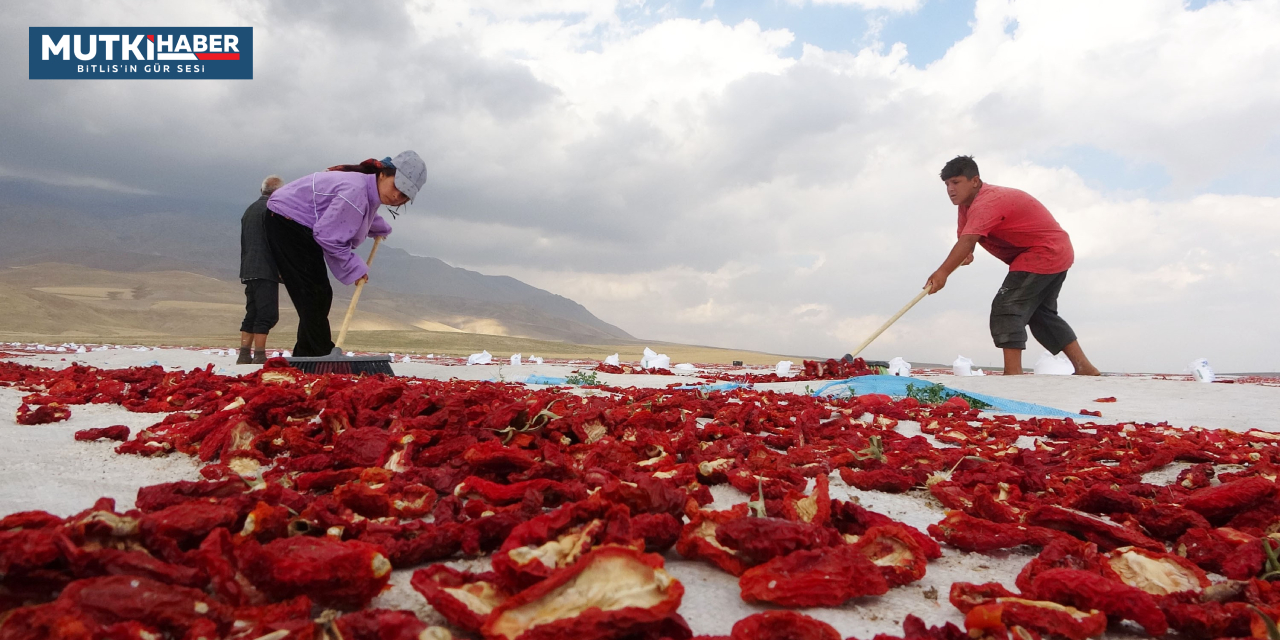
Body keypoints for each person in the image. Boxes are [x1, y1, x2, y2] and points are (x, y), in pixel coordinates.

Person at [925, 155, 1100, 376]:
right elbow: (967, 245)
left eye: (956, 182)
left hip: (1044, 251)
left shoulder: (986, 202)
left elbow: (967, 240)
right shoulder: (966, 206)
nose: (951, 189)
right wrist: (964, 256)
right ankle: (1085, 367)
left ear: (975, 181)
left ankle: (1013, 375)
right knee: (1040, 315)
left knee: (1007, 307)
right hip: (1051, 252)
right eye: (947, 184)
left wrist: (943, 273)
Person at [264, 151, 427, 356]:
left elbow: (358, 213)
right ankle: (320, 352)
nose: (397, 196)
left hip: (297, 222)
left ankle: (305, 354)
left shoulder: (366, 190)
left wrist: (378, 226)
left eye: (404, 196)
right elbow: (330, 236)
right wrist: (354, 268)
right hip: (287, 220)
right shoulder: (355, 191)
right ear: (384, 174)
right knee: (314, 292)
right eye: (397, 187)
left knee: (317, 293)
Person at [237, 175, 284, 365]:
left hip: (248, 268)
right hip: (266, 269)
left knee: (252, 312)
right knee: (267, 314)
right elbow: (276, 244)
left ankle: (243, 354)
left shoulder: (249, 210)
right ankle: (259, 354)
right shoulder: (273, 210)